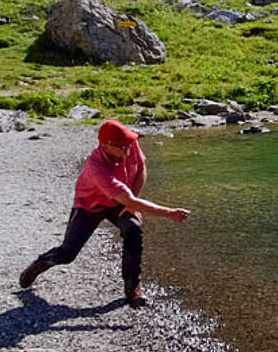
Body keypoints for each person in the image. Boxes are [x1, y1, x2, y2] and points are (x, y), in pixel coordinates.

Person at [19, 119, 189, 307]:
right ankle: (40, 264)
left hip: (120, 201)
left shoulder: (130, 142)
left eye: (128, 144)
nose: (128, 148)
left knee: (133, 230)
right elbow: (129, 200)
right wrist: (169, 213)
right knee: (67, 254)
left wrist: (132, 202)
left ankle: (132, 288)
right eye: (122, 147)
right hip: (89, 205)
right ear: (107, 146)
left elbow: (141, 168)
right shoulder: (96, 166)